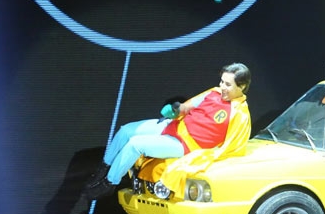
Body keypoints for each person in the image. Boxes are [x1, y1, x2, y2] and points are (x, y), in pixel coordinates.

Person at [85, 62, 252, 200]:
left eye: (228, 84)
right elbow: (186, 107)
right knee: (126, 131)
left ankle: (108, 183)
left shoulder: (240, 113)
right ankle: (102, 170)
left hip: (184, 144)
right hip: (174, 126)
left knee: (135, 145)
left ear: (242, 86)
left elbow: (233, 147)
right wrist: (176, 109)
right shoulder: (213, 92)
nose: (222, 87)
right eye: (222, 81)